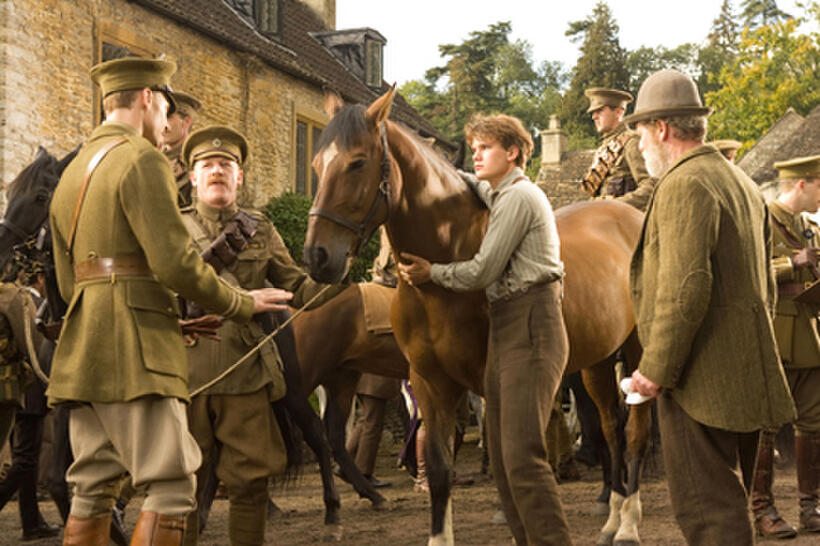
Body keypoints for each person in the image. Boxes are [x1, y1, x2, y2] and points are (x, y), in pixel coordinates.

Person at [47, 57, 292, 545]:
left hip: (83, 350)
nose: (168, 124)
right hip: (137, 351)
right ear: (147, 98)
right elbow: (175, 265)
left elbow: (68, 281)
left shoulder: (73, 171)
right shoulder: (141, 158)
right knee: (174, 486)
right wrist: (242, 304)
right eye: (166, 109)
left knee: (93, 487)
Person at [625, 69, 796, 544]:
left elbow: (686, 288)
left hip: (697, 381)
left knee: (708, 514)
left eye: (641, 132)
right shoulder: (738, 180)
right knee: (725, 508)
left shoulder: (685, 183)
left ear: (662, 128)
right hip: (743, 374)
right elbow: (765, 284)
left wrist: (655, 370)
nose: (639, 143)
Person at [399, 113, 571, 545]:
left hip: (532, 320)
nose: (476, 155)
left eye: (486, 147)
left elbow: (482, 270)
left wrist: (432, 273)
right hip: (508, 324)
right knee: (503, 458)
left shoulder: (519, 198)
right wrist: (430, 163)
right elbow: (471, 182)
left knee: (523, 457)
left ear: (512, 153)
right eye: (473, 147)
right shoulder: (498, 192)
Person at [179, 125, 345, 545]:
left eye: (226, 164)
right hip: (183, 375)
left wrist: (337, 268)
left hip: (245, 374)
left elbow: (299, 291)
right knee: (181, 487)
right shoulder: (172, 228)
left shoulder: (261, 230)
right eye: (208, 165)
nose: (217, 171)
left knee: (251, 484)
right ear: (194, 177)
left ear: (239, 177)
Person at [751, 154, 820, 538]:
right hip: (775, 337)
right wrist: (792, 263)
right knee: (766, 425)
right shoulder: (761, 221)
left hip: (810, 336)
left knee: (813, 422)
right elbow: (751, 271)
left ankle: (811, 507)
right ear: (801, 184)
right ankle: (763, 509)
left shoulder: (810, 226)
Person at [581, 87, 656, 211]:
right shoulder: (602, 149)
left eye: (600, 111)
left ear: (618, 112)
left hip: (626, 218)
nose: (594, 116)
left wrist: (614, 206)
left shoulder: (632, 143)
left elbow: (651, 187)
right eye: (593, 112)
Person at [162, 91, 202, 209]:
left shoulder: (196, 163)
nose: (163, 124)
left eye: (169, 117)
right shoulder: (151, 157)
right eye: (161, 117)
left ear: (187, 122)